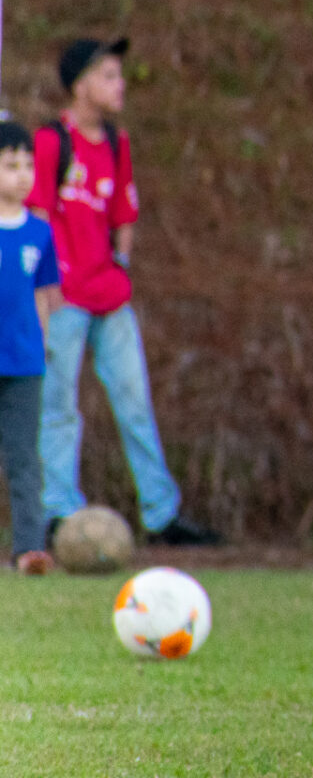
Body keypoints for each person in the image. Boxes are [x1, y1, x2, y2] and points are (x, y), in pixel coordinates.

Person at [32, 38, 219, 548]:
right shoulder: (51, 142)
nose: (120, 86)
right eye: (109, 75)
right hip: (64, 299)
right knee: (59, 406)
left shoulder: (117, 143)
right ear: (80, 84)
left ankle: (162, 514)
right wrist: (46, 290)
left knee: (135, 404)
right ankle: (58, 513)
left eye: (120, 75)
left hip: (110, 299)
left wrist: (119, 266)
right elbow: (39, 217)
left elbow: (124, 218)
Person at [0, 122, 64, 574]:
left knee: (24, 457)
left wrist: (41, 346)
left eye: (27, 166)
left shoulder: (40, 233)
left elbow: (44, 297)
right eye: (10, 166)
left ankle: (28, 549)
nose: (22, 175)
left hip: (23, 365)